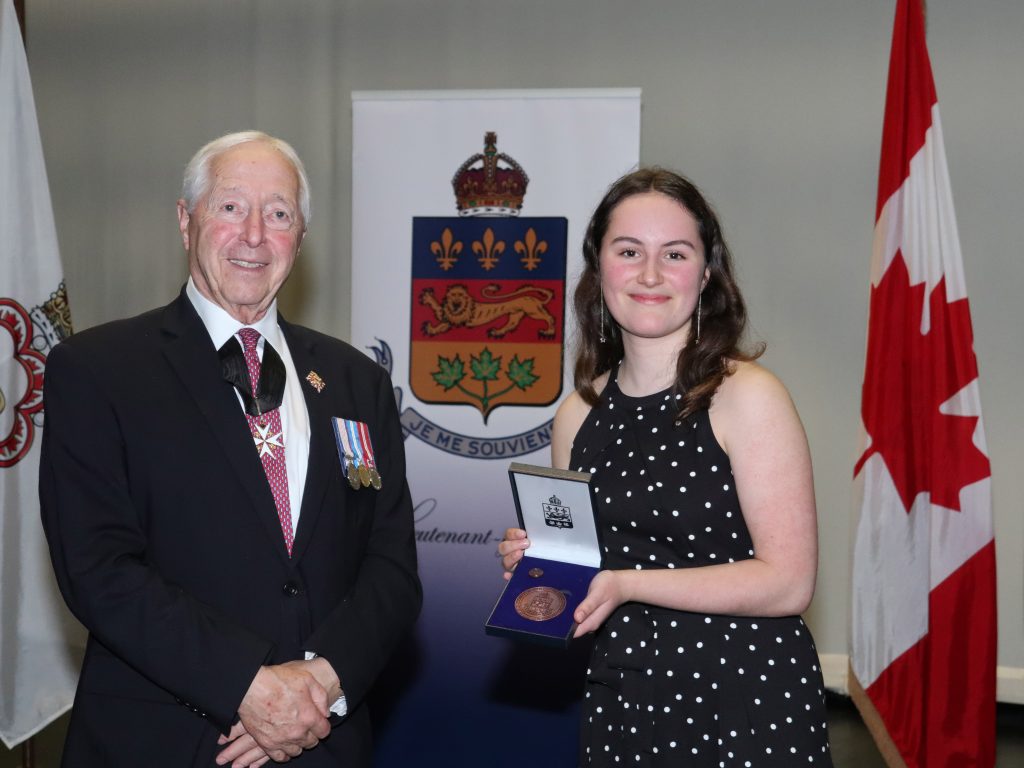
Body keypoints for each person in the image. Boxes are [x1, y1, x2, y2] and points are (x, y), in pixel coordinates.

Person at [40, 131, 421, 767]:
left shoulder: (357, 381)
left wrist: (320, 684)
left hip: (323, 740)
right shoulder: (98, 371)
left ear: (299, 239)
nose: (253, 235)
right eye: (230, 207)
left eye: (278, 214)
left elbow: (392, 567)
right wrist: (246, 684)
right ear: (186, 221)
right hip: (167, 742)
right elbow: (97, 566)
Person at [499, 168, 832, 766]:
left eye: (674, 254)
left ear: (705, 275)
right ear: (599, 269)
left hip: (743, 701)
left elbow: (789, 581)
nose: (650, 275)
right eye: (629, 252)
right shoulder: (576, 415)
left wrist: (626, 584)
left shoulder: (747, 395)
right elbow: (582, 585)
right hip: (622, 696)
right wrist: (541, 572)